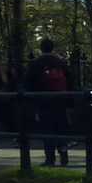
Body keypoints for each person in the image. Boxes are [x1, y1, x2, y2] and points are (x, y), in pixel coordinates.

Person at [22, 38, 73, 166]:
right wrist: (70, 101)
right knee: (60, 128)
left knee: (47, 129)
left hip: (43, 101)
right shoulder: (60, 63)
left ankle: (50, 158)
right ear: (52, 48)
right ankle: (63, 149)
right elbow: (70, 81)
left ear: (41, 48)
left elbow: (29, 83)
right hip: (60, 100)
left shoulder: (36, 63)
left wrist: (29, 100)